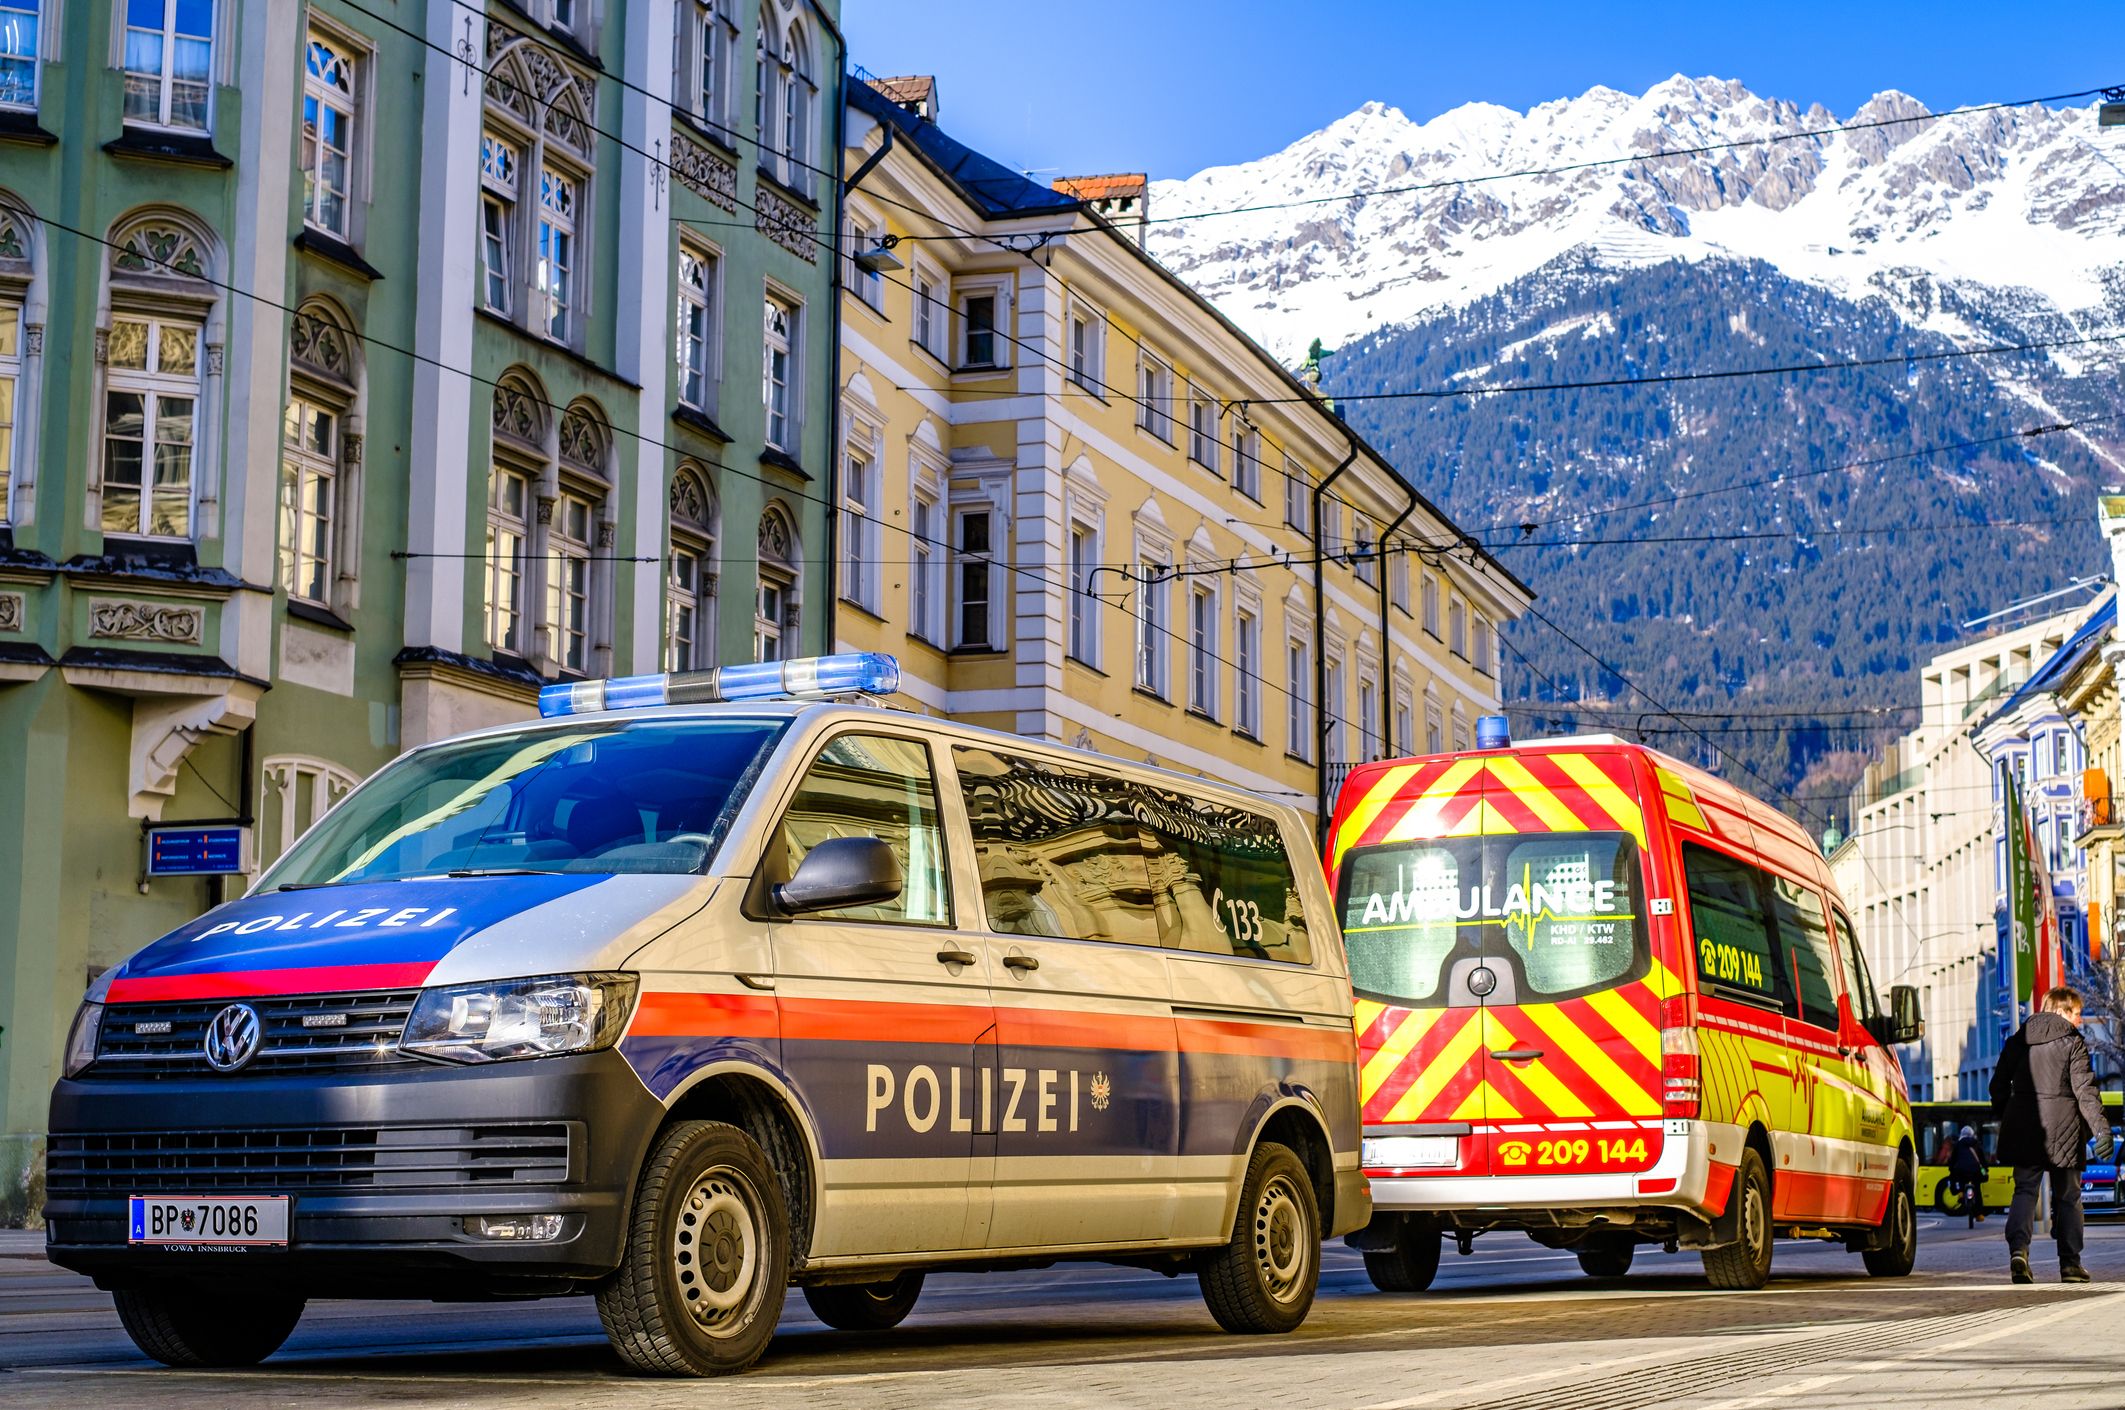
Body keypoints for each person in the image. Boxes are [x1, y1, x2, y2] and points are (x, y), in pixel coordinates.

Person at [1991, 985, 2116, 1284]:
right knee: (2069, 1197)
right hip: (2065, 1127)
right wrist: (2101, 1129)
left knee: (2024, 1191)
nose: (2079, 1020)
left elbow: (1997, 1086)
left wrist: (2010, 1114)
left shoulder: (2017, 1041)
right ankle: (2071, 1265)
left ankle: (2019, 1252)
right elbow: (2085, 1091)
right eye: (2076, 1013)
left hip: (2024, 1127)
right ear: (2061, 1010)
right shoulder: (2073, 1042)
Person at [1946, 1124, 1989, 1221]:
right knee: (1977, 1190)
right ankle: (1979, 1215)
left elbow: (1953, 1160)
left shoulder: (1958, 1144)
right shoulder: (1976, 1144)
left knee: (1957, 1176)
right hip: (1975, 1171)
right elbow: (1982, 1160)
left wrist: (1951, 1168)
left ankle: (1960, 1192)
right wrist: (1985, 1169)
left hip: (1961, 1171)